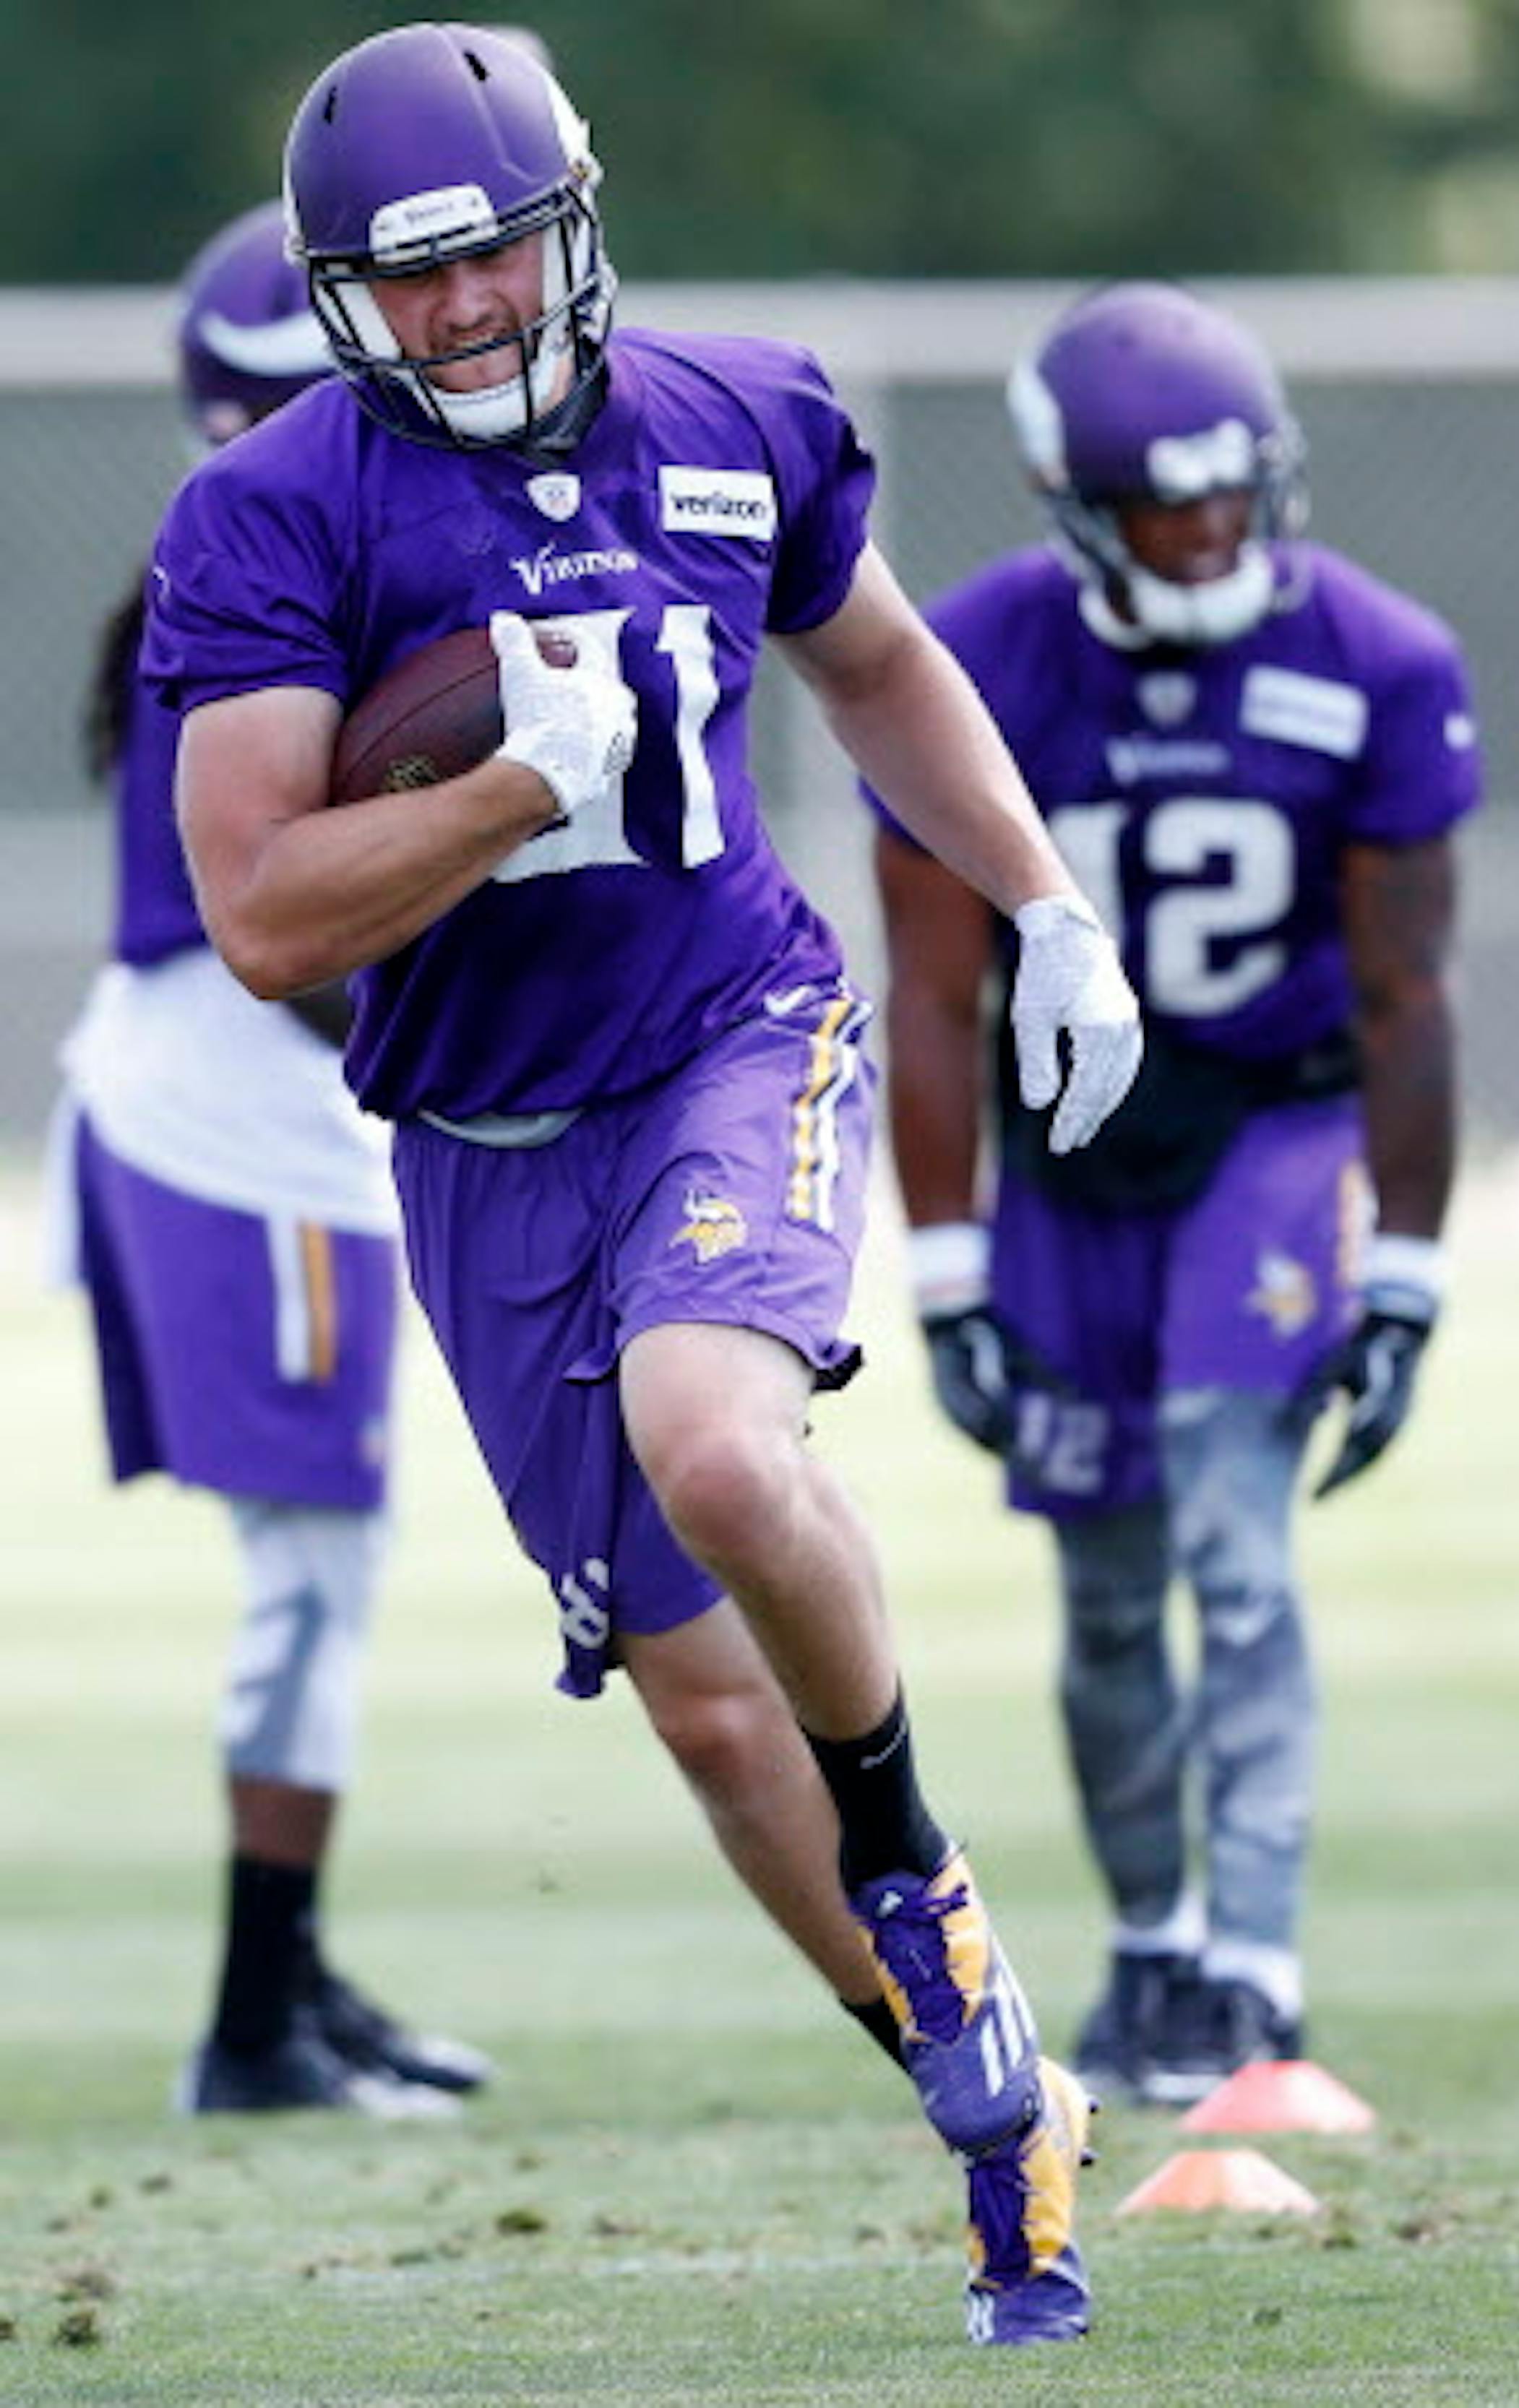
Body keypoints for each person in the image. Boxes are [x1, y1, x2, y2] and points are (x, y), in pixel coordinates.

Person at [142, 25, 1143, 2347]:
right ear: (336, 302)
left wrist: (1043, 902)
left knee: (721, 1428)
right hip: (481, 1145)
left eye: (496, 255)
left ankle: (909, 1863)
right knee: (703, 1715)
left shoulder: (738, 412)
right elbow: (270, 915)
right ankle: (994, 2087)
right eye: (413, 284)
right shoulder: (277, 515)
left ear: (569, 227)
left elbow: (880, 666)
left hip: (731, 1035)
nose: (469, 311)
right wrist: (502, 788)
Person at [869, 281, 1481, 2106]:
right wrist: (950, 1269)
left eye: (1233, 491)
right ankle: (1152, 1952)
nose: (1211, 530)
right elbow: (935, 989)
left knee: (1236, 1536)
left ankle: (1255, 1963)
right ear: (1075, 500)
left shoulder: (1378, 657)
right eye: (1166, 501)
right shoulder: (973, 652)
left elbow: (1405, 994)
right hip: (1072, 1147)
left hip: (1269, 1130)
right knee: (1113, 1586)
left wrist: (1418, 1269)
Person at [51, 199, 490, 2118]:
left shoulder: (270, 574)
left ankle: (293, 1973)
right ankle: (252, 2016)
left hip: (238, 1118)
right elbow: (291, 954)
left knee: (331, 1567)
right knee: (313, 1575)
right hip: (241, 1132)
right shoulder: (241, 603)